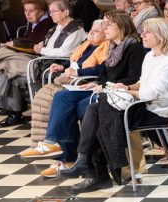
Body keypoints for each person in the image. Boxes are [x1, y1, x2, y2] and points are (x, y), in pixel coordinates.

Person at [59, 18, 168, 192]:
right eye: (144, 31)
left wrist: (125, 92)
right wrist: (125, 87)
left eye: (148, 32)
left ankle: (94, 170)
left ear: (161, 36)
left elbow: (150, 94)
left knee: (101, 113)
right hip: (139, 104)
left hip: (156, 110)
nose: (143, 34)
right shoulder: (150, 56)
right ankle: (86, 162)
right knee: (95, 109)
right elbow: (141, 83)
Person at [42, 11, 143, 177]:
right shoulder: (112, 47)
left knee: (77, 108)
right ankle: (52, 141)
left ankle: (72, 158)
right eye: (103, 24)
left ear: (122, 25)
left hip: (118, 93)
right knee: (62, 97)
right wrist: (97, 83)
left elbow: (133, 78)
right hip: (103, 88)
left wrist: (104, 86)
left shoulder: (134, 48)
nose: (104, 28)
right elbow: (104, 73)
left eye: (108, 24)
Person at [19, 19, 109, 164]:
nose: (91, 33)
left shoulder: (106, 47)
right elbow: (74, 60)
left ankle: (64, 157)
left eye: (96, 31)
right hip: (69, 82)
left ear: (106, 34)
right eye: (91, 29)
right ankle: (57, 151)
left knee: (60, 104)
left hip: (84, 82)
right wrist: (62, 66)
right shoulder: (87, 44)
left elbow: (102, 70)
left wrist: (78, 73)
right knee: (47, 100)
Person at [0, 0, 86, 126]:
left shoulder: (76, 30)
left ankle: (15, 114)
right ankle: (14, 114)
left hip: (57, 65)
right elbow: (46, 43)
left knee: (9, 72)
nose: (51, 15)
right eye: (50, 12)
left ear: (65, 12)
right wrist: (39, 46)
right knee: (9, 72)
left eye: (54, 12)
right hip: (42, 62)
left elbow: (65, 52)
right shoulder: (56, 28)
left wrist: (43, 49)